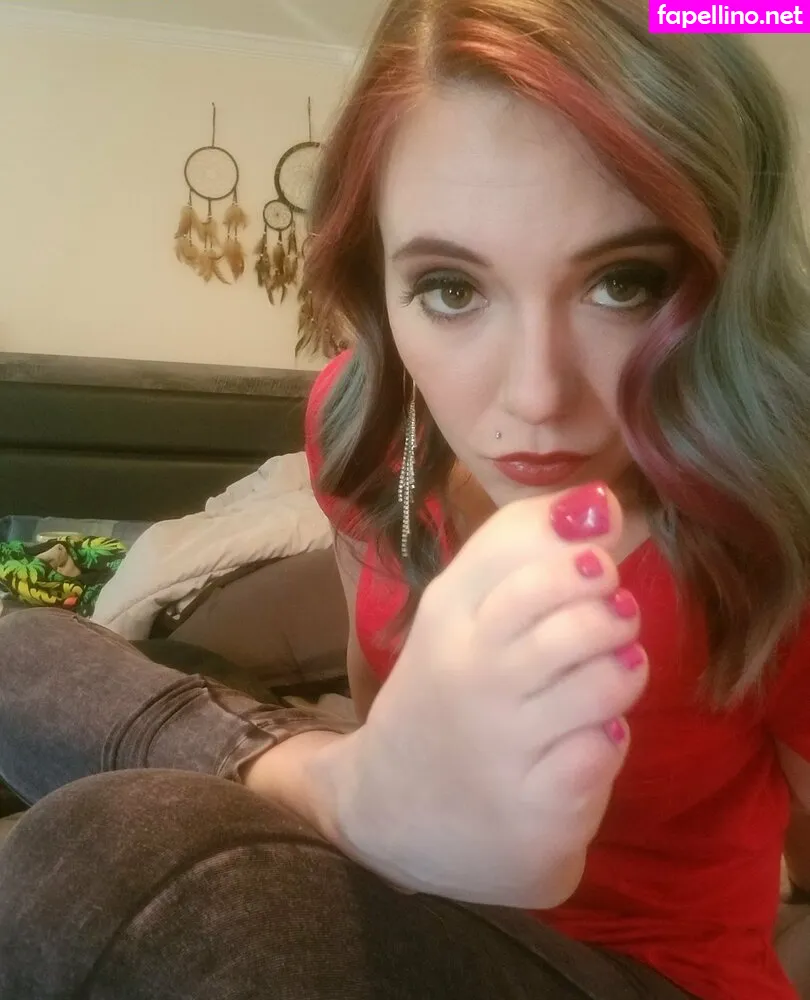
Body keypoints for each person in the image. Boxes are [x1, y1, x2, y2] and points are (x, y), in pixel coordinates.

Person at [1, 1, 809, 997]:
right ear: (375, 287)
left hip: (646, 974)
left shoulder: (773, 522)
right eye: (452, 289)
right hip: (410, 890)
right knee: (20, 654)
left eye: (625, 282)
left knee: (127, 860)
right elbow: (375, 684)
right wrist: (365, 793)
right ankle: (341, 796)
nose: (535, 396)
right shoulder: (367, 429)